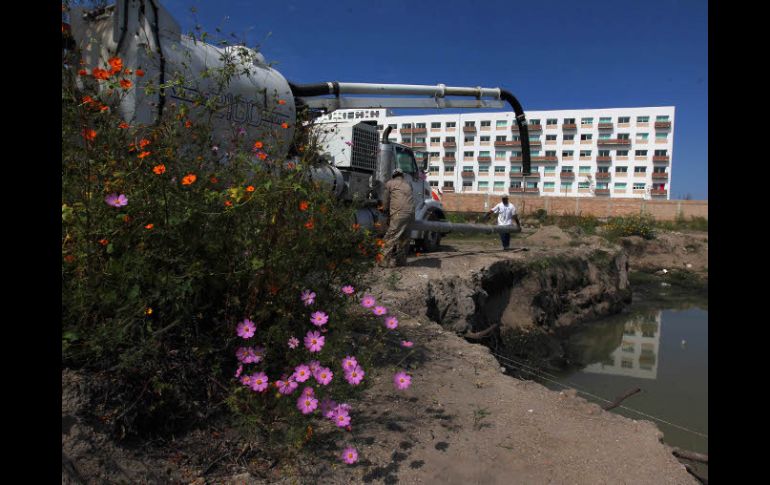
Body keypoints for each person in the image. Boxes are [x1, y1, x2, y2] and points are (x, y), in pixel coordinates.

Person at [380, 168, 415, 267]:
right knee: (404, 238)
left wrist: (384, 211)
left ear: (393, 175)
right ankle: (401, 261)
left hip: (399, 214)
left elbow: (385, 202)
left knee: (390, 237)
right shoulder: (408, 185)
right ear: (402, 176)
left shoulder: (390, 183)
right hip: (411, 215)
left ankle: (383, 261)